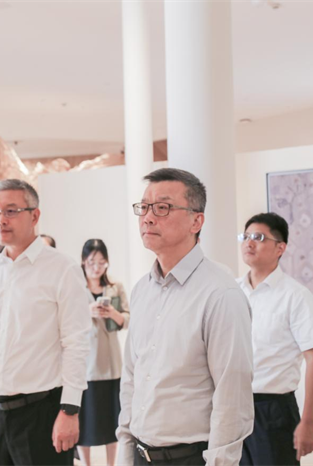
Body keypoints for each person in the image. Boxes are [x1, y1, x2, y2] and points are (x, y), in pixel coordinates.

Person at [117, 168, 254, 466]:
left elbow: (232, 396)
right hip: (140, 454)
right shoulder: (142, 289)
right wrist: (125, 454)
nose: (148, 217)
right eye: (144, 207)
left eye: (162, 207)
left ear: (196, 221)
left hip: (191, 457)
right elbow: (131, 379)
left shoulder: (220, 293)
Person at [0, 179, 91, 466]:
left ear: (34, 216)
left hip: (41, 411)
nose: (0, 220)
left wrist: (70, 410)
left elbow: (76, 343)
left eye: (11, 211)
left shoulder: (62, 268)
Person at [236, 213, 313, 466]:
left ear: (280, 248)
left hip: (272, 410)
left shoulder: (296, 296)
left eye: (258, 237)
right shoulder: (232, 291)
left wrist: (309, 422)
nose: (249, 243)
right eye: (245, 236)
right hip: (233, 407)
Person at [77, 239, 130, 466]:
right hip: (85, 365)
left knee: (111, 421)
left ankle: (111, 463)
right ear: (83, 262)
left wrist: (113, 314)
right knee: (85, 421)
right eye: (92, 262)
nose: (96, 267)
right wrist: (87, 311)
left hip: (110, 363)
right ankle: (87, 463)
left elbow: (128, 319)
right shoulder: (76, 287)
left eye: (101, 262)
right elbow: (65, 319)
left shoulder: (115, 286)